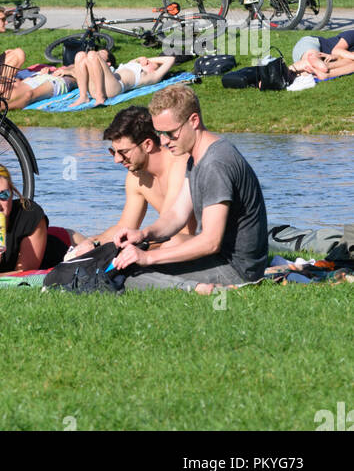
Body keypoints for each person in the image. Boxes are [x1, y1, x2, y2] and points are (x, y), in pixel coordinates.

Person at [113, 85, 268, 290]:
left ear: (194, 121)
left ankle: (196, 289)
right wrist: (144, 234)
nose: (165, 141)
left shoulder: (215, 164)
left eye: (170, 133)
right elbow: (177, 215)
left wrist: (148, 257)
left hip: (237, 269)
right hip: (220, 259)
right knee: (130, 269)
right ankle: (194, 285)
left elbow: (210, 241)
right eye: (160, 133)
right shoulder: (195, 157)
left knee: (133, 278)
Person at [70, 105, 196, 256]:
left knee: (170, 243)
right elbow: (124, 226)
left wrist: (130, 248)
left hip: (198, 243)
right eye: (113, 152)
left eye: (123, 152)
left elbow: (173, 230)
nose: (117, 160)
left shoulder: (180, 165)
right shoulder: (136, 178)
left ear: (147, 144)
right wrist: (94, 242)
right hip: (171, 243)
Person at [71, 48, 178, 107]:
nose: (148, 62)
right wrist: (141, 58)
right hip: (98, 85)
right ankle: (83, 96)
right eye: (148, 62)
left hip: (113, 88)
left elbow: (170, 59)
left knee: (92, 55)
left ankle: (100, 97)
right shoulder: (131, 64)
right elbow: (135, 60)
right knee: (80, 55)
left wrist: (152, 59)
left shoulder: (153, 76)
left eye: (151, 63)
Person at [290, 29, 354, 80]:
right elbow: (336, 51)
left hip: (319, 62)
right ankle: (290, 69)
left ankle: (327, 74)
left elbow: (345, 58)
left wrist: (337, 57)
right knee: (312, 58)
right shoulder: (352, 34)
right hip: (311, 45)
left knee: (305, 73)